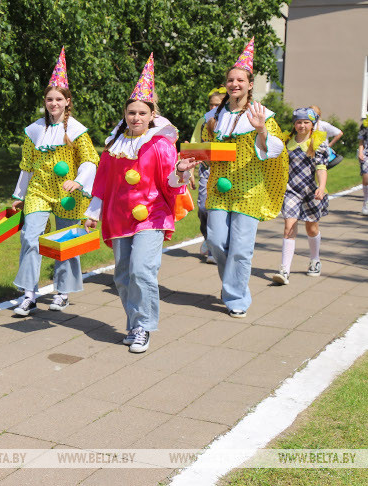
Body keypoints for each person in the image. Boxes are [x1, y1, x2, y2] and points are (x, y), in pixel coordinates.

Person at [84, 54, 198, 353]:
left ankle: (144, 327)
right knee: (122, 276)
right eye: (131, 112)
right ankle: (134, 323)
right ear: (125, 114)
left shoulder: (161, 144)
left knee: (141, 271)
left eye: (141, 113)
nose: (136, 118)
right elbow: (102, 184)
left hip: (153, 216)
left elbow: (171, 183)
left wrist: (181, 172)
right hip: (118, 217)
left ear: (151, 116)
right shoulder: (113, 147)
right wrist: (93, 213)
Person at [200, 38, 288, 318]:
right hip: (218, 188)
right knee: (215, 241)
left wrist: (261, 129)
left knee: (240, 248)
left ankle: (236, 297)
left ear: (250, 84)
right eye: (230, 80)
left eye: (240, 80)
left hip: (250, 189)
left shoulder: (261, 114)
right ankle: (232, 286)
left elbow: (274, 150)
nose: (234, 84)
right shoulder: (213, 116)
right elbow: (205, 149)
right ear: (225, 84)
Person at [10, 48, 99, 315]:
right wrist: (19, 195)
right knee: (31, 237)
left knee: (65, 240)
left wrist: (79, 182)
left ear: (68, 101)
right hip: (39, 190)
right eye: (49, 99)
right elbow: (27, 166)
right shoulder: (34, 130)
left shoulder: (76, 130)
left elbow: (90, 160)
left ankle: (62, 291)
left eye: (59, 99)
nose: (54, 103)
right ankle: (29, 293)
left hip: (67, 193)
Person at [272, 108, 329, 284]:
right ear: (294, 124)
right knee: (289, 226)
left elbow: (321, 168)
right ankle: (284, 270)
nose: (302, 125)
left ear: (312, 124)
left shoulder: (317, 143)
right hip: (291, 190)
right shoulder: (287, 141)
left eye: (306, 122)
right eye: (298, 122)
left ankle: (315, 259)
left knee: (311, 228)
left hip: (311, 191)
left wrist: (321, 186)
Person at [190, 86, 227, 264]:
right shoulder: (202, 121)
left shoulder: (230, 121)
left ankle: (215, 247)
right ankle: (207, 237)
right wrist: (190, 171)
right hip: (206, 170)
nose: (213, 108)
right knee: (204, 209)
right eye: (211, 104)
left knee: (218, 211)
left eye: (217, 105)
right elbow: (194, 145)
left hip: (227, 173)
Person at [357, 117, 368, 215]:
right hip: (366, 154)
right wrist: (361, 152)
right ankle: (366, 202)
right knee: (366, 178)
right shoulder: (365, 125)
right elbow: (361, 141)